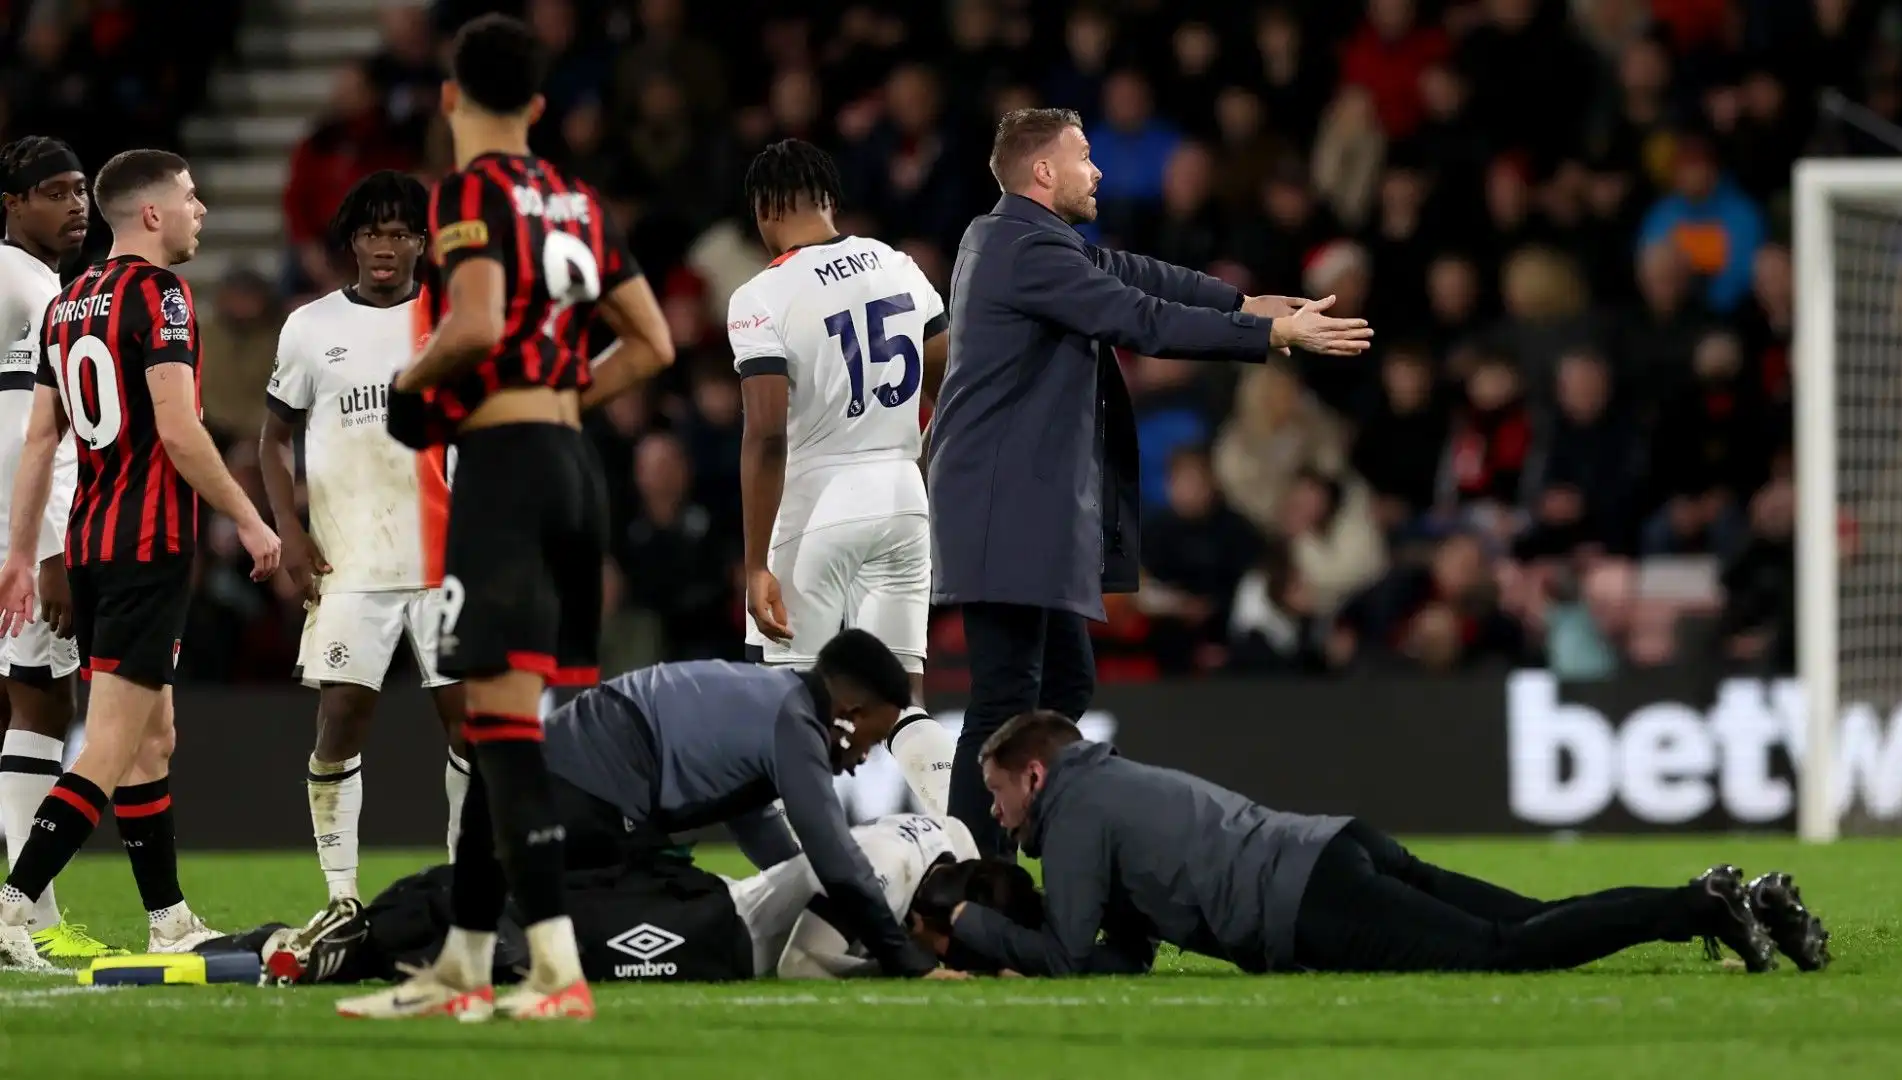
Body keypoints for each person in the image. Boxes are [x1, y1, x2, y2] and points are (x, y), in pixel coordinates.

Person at [341, 13, 674, 1021]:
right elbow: (653, 343)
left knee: (501, 729)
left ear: (451, 99)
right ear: (536, 104)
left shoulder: (469, 192)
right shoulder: (576, 197)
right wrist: (567, 395)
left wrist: (415, 376)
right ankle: (465, 964)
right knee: (503, 723)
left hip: (510, 471)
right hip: (575, 465)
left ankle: (558, 970)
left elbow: (477, 322)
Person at [927, 107, 1372, 857]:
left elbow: (1132, 273)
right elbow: (1137, 318)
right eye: (1083, 156)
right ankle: (969, 879)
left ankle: (1027, 834)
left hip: (1025, 507)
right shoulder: (1020, 250)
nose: (1096, 171)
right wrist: (1268, 335)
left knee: (1063, 687)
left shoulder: (1019, 238)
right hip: (1002, 504)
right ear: (1043, 172)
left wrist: (1239, 303)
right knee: (1005, 701)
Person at [937, 711, 1832, 977]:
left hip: (1309, 900)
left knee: (1503, 952)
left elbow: (1064, 952)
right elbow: (1122, 954)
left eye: (999, 793)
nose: (999, 814)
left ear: (1036, 776)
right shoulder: (1113, 780)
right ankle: (1731, 901)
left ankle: (1695, 905)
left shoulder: (1078, 814)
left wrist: (974, 925)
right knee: (1532, 919)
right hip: (1334, 845)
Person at [0, 149, 283, 969]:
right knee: (114, 742)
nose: (201, 212)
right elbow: (179, 428)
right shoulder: (161, 296)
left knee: (154, 736)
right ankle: (14, 903)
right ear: (151, 214)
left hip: (86, 543)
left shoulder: (69, 301)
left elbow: (40, 440)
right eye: (191, 199)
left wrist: (24, 553)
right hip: (144, 544)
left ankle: (169, 917)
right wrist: (253, 520)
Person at [728, 138, 955, 818]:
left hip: (816, 503)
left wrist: (755, 564)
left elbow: (766, 434)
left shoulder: (761, 295)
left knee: (791, 714)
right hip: (901, 496)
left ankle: (811, 886)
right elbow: (952, 379)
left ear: (766, 211)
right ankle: (962, 842)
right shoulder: (899, 265)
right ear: (829, 199)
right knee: (902, 701)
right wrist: (916, 448)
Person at [259, 170, 468, 906]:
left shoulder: (452, 321)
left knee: (469, 728)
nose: (386, 246)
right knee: (342, 716)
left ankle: (463, 882)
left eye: (401, 233)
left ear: (422, 243)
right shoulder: (311, 327)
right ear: (352, 240)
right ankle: (341, 893)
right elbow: (274, 439)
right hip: (350, 562)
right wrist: (288, 527)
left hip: (447, 562)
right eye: (372, 232)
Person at [523, 627, 951, 984]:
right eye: (871, 742)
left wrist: (804, 900)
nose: (861, 761)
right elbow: (833, 856)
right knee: (661, 918)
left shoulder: (777, 697)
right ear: (850, 713)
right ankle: (502, 938)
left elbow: (759, 825)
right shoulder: (796, 724)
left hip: (570, 771)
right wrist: (904, 959)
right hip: (586, 783)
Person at [254, 813, 998, 987]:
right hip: (717, 931)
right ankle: (384, 938)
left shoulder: (948, 838)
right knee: (573, 946)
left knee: (556, 903)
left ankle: (356, 929)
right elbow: (804, 964)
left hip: (709, 900)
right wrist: (905, 969)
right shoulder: (890, 872)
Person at [0, 137, 120, 962]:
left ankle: (29, 908)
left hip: (27, 525)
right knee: (43, 703)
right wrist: (45, 546)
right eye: (53, 192)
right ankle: (30, 913)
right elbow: (21, 432)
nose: (75, 206)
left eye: (81, 190)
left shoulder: (42, 285)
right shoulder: (22, 288)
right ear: (12, 202)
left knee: (33, 706)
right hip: (32, 529)